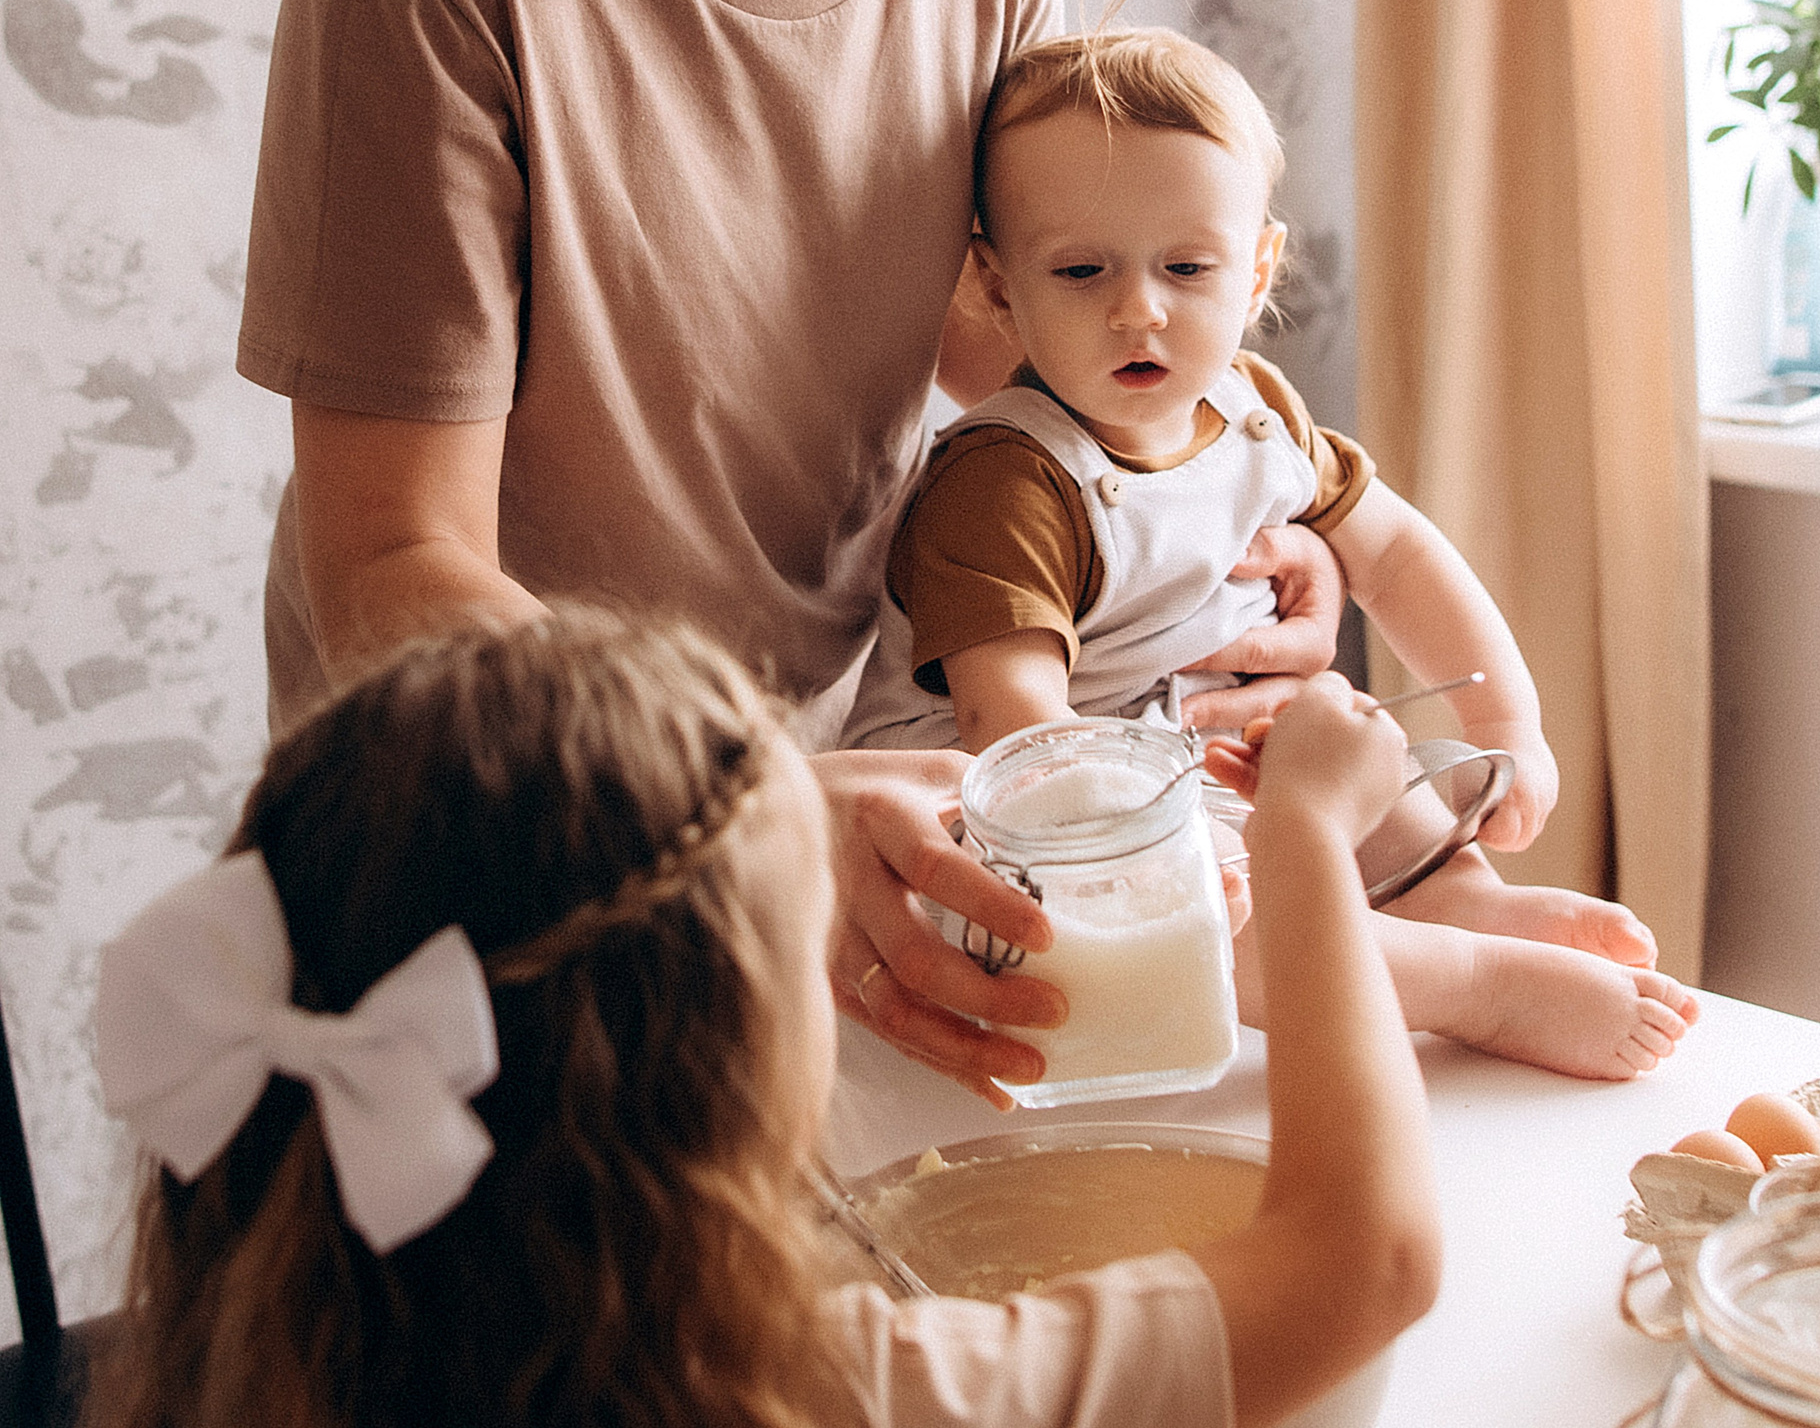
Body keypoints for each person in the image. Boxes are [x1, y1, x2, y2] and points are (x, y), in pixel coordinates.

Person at [233, 0, 1334, 1108]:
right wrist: (738, 785)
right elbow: (388, 576)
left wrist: (1225, 516)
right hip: (487, 839)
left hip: (824, 788)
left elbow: (986, 351)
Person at [88, 609, 1437, 1428]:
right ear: (714, 1077)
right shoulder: (836, 1392)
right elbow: (1362, 1257)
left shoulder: (252, 1361)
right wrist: (1307, 829)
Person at [838, 29, 1699, 1081]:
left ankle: (1457, 895)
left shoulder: (1255, 411)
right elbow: (1019, 730)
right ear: (996, 281)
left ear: (1256, 269)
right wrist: (1173, 860)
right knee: (1221, 928)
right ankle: (1472, 982)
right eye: (1080, 268)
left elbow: (1397, 553)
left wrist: (1503, 717)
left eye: (1186, 266)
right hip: (1013, 817)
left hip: (1168, 755)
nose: (1138, 307)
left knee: (1334, 725)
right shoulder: (1007, 479)